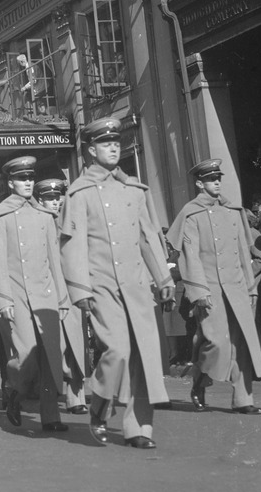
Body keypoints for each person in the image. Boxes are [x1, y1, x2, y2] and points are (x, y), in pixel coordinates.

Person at [60, 116, 175, 449]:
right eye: (105, 143)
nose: (113, 147)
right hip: (102, 285)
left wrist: (162, 276)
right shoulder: (79, 193)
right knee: (119, 350)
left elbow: (147, 236)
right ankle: (99, 404)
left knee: (144, 355)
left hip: (137, 283)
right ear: (91, 150)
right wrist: (79, 289)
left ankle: (139, 428)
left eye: (116, 142)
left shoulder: (135, 189)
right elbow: (73, 243)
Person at [167, 158, 261, 415]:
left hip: (237, 287)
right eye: (211, 179)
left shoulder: (235, 211)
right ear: (200, 183)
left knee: (241, 342)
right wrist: (198, 292)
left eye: (219, 178)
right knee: (216, 343)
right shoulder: (191, 213)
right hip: (209, 290)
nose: (217, 182)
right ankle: (200, 380)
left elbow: (245, 253)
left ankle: (244, 399)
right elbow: (189, 255)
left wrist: (251, 287)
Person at [0, 158, 70, 434]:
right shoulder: (0, 217)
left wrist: (62, 298)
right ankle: (14, 391)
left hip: (45, 295)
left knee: (50, 356)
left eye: (30, 178)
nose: (28, 183)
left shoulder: (45, 217)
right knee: (26, 357)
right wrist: (2, 301)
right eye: (22, 179)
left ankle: (50, 415)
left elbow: (54, 261)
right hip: (16, 296)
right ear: (10, 183)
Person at [35, 178, 87, 415]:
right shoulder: (35, 225)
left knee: (77, 346)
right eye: (49, 198)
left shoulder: (72, 223)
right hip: (47, 294)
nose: (55, 202)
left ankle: (76, 397)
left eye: (58, 197)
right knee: (55, 346)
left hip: (73, 292)